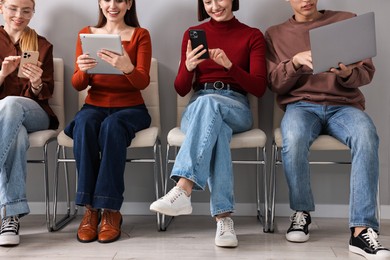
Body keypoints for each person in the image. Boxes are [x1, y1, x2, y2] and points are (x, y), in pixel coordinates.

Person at [265, 0, 390, 259]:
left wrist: (346, 74)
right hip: (301, 107)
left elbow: (366, 73)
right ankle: (301, 212)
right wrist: (295, 63)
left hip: (343, 106)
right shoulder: (275, 34)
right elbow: (275, 84)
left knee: (367, 135)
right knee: (293, 137)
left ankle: (361, 229)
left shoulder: (347, 20)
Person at [150, 0, 267, 248]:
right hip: (198, 103)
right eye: (208, 1)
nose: (214, 6)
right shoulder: (192, 35)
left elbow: (258, 87)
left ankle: (183, 187)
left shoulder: (252, 35)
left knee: (213, 108)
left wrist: (230, 66)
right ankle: (223, 219)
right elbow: (182, 88)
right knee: (216, 126)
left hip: (237, 106)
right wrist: (189, 67)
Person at [64, 0, 151, 244]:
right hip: (95, 104)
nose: (113, 5)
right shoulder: (86, 33)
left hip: (131, 108)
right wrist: (82, 70)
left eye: (120, 0)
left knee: (112, 126)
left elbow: (142, 81)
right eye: (107, 0)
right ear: (100, 3)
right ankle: (90, 209)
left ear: (129, 4)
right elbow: (78, 84)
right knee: (84, 123)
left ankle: (111, 211)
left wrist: (127, 68)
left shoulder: (140, 35)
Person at [0, 0, 58, 246]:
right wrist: (2, 74)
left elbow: (47, 92)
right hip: (5, 121)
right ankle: (11, 216)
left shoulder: (42, 45)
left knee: (12, 104)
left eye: (26, 10)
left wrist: (36, 83)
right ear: (1, 7)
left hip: (36, 114)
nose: (19, 15)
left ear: (33, 13)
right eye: (13, 8)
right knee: (17, 135)